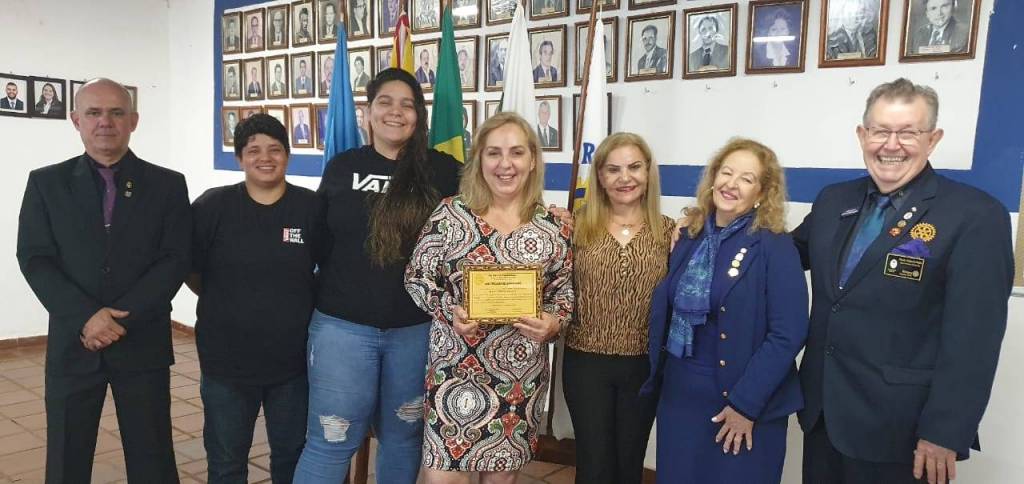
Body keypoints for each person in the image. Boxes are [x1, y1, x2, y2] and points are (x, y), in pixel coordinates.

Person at [794, 78, 1012, 484]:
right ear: (862, 135)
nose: (891, 145)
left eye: (908, 132)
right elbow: (783, 256)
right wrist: (708, 230)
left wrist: (945, 431)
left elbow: (974, 340)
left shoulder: (975, 216)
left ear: (933, 139)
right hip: (823, 414)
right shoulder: (833, 200)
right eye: (880, 131)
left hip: (902, 432)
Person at [291, 68, 462, 483]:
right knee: (331, 440)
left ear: (419, 116)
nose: (395, 112)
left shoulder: (445, 172)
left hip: (417, 331)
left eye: (407, 104)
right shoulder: (343, 166)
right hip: (342, 329)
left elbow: (486, 224)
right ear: (367, 113)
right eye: (385, 102)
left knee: (403, 438)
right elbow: (319, 240)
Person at [17, 78, 189, 483]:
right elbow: (35, 258)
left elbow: (175, 259)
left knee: (153, 459)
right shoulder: (46, 183)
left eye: (116, 112)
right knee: (67, 458)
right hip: (75, 341)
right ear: (76, 120)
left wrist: (120, 319)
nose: (105, 122)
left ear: (134, 120)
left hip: (142, 341)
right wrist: (87, 317)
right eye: (93, 113)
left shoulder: (167, 184)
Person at [405, 111, 574, 482]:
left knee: (501, 478)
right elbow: (417, 277)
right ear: (479, 160)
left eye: (516, 152)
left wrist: (553, 323)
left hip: (518, 377)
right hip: (454, 371)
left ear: (533, 160)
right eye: (494, 153)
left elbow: (563, 293)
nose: (505, 164)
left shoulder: (553, 227)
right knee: (442, 476)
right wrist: (448, 310)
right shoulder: (451, 214)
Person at [642, 138, 808, 484]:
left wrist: (745, 404)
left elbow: (788, 333)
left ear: (762, 192)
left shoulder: (775, 245)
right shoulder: (689, 235)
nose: (732, 184)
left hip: (742, 403)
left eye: (747, 179)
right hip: (681, 396)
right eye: (726, 172)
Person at [189, 113, 321, 484]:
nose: (265, 158)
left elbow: (327, 270)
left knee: (291, 456)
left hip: (293, 362)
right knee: (226, 461)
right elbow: (191, 270)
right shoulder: (213, 206)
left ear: (288, 155)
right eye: (253, 150)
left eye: (275, 149)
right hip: (226, 362)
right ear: (240, 158)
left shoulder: (311, 208)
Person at [564, 133, 671, 484]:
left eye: (634, 167)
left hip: (643, 365)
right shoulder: (574, 226)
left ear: (648, 172)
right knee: (593, 465)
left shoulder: (671, 232)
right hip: (586, 363)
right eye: (613, 169)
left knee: (629, 464)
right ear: (599, 176)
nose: (625, 178)